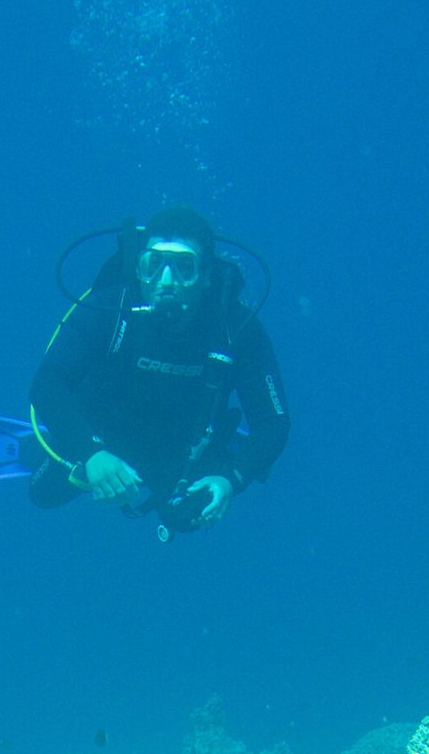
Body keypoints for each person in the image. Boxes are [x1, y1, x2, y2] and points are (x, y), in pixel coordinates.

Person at [26, 206, 290, 531]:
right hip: (103, 434)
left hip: (180, 448)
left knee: (189, 520)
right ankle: (38, 447)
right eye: (154, 264)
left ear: (206, 276)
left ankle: (219, 454)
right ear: (139, 268)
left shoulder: (238, 328)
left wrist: (230, 480)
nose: (166, 281)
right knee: (42, 495)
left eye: (184, 267)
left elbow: (273, 421)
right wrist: (91, 453)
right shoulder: (108, 307)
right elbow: (48, 382)